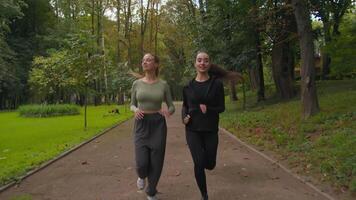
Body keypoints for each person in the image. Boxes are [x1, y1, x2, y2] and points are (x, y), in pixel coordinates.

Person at [182, 51, 230, 200]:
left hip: (210, 129)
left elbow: (221, 108)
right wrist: (184, 117)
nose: (202, 63)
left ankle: (207, 163)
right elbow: (185, 105)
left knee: (209, 164)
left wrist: (209, 109)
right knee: (198, 162)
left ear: (209, 64)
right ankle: (204, 195)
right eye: (199, 60)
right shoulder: (188, 86)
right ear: (195, 64)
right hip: (192, 130)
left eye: (206, 60)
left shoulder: (216, 84)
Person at [130, 53, 175, 200]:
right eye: (143, 60)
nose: (145, 62)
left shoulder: (163, 85)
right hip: (141, 123)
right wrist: (135, 110)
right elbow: (132, 104)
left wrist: (168, 111)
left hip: (158, 124)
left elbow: (172, 106)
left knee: (156, 160)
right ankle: (142, 176)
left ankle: (151, 191)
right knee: (142, 162)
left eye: (148, 60)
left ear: (156, 64)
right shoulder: (136, 84)